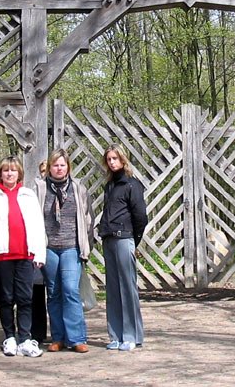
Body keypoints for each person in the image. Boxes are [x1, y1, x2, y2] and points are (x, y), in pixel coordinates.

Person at [0, 156, 46, 358]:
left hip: (25, 255)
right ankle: (10, 337)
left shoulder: (28, 195)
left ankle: (25, 338)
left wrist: (39, 252)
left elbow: (38, 225)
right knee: (6, 298)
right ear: (0, 173)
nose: (9, 174)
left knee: (25, 297)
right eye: (6, 170)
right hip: (1, 255)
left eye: (13, 170)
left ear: (19, 173)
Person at [35, 149, 94, 353]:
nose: (59, 169)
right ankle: (58, 338)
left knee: (70, 290)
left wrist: (86, 246)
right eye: (55, 165)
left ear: (68, 167)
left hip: (71, 247)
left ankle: (76, 338)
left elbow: (88, 218)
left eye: (62, 165)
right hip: (48, 248)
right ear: (49, 167)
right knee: (53, 292)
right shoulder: (40, 188)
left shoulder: (78, 188)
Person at [97, 144, 148, 352]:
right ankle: (115, 335)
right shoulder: (109, 186)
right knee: (113, 289)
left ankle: (131, 335)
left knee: (127, 288)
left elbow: (140, 216)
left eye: (115, 158)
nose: (112, 162)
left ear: (123, 160)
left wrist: (134, 240)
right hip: (108, 239)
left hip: (124, 238)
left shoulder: (132, 185)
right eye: (109, 159)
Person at [31, 160, 48, 344]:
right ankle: (37, 332)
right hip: (37, 246)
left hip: (57, 246)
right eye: (42, 171)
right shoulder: (33, 192)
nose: (45, 174)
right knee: (36, 291)